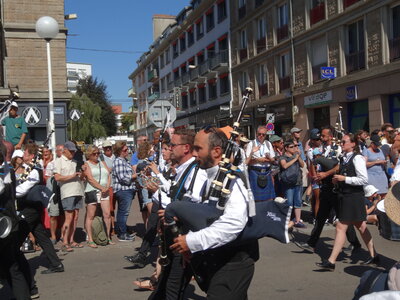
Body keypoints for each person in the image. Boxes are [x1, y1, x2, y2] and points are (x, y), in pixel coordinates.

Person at [169, 127, 259, 299]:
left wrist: (192, 242)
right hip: (217, 258)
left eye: (198, 148)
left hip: (234, 262)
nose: (194, 154)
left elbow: (233, 224)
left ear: (216, 151)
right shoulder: (208, 177)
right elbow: (205, 216)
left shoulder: (232, 181)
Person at [147, 129, 207, 300]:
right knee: (165, 288)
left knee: (172, 289)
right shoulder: (182, 170)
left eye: (173, 145)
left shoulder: (196, 172)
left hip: (185, 237)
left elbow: (192, 206)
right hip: (174, 235)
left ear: (186, 148)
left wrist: (165, 204)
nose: (169, 148)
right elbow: (176, 196)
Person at [316, 134, 378, 271]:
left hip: (353, 196)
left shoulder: (358, 158)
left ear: (353, 144)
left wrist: (345, 179)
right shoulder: (344, 158)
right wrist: (337, 180)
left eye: (344, 142)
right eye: (341, 142)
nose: (341, 144)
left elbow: (363, 179)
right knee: (361, 226)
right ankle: (375, 256)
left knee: (340, 226)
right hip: (345, 196)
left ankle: (331, 261)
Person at [16, 143, 64, 274]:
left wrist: (10, 192)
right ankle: (56, 264)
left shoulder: (35, 171)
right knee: (42, 237)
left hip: (30, 209)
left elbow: (22, 190)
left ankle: (11, 269)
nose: (23, 155)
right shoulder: (26, 169)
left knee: (16, 239)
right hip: (28, 208)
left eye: (25, 153)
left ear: (31, 155)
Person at [54, 141, 85, 252]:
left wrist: (83, 173)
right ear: (65, 150)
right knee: (69, 217)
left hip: (77, 190)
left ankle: (71, 240)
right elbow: (57, 178)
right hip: (67, 192)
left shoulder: (74, 161)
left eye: (74, 151)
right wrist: (72, 176)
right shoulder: (59, 161)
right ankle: (65, 242)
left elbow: (80, 178)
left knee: (75, 217)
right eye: (71, 151)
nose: (72, 153)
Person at [83, 145, 113, 248]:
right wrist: (101, 187)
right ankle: (90, 239)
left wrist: (107, 186)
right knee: (90, 215)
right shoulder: (86, 164)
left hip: (104, 191)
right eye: (94, 154)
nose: (96, 155)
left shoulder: (102, 162)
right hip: (92, 191)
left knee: (107, 214)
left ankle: (108, 236)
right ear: (89, 155)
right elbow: (90, 179)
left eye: (98, 153)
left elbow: (108, 174)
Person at [112, 140, 137, 241]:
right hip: (123, 190)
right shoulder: (118, 161)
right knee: (123, 212)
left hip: (127, 190)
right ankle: (122, 234)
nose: (127, 151)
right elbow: (123, 178)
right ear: (120, 151)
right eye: (125, 150)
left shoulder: (125, 161)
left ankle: (122, 230)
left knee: (123, 212)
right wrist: (134, 176)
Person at [280, 139, 305, 228]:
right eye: (292, 147)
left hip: (298, 182)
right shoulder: (283, 157)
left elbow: (302, 165)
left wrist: (299, 156)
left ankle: (298, 220)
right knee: (289, 202)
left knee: (298, 202)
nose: (294, 148)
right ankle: (288, 221)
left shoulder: (296, 155)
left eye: (295, 146)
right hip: (288, 183)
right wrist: (295, 159)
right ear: (286, 148)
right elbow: (284, 166)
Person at [246, 125, 275, 201]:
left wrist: (268, 159)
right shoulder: (251, 144)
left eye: (263, 134)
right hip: (255, 172)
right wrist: (257, 160)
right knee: (256, 199)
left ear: (266, 135)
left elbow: (273, 160)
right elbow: (247, 162)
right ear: (256, 134)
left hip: (267, 172)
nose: (261, 136)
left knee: (269, 199)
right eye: (259, 134)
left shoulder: (268, 144)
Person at [133, 141, 154, 227]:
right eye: (151, 148)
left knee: (149, 215)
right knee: (152, 216)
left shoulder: (143, 162)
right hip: (148, 194)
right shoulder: (144, 164)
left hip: (145, 192)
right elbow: (150, 180)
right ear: (147, 151)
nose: (153, 150)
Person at [46, 144, 64, 244]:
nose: (62, 152)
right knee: (53, 214)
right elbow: (47, 177)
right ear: (56, 152)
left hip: (64, 190)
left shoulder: (68, 163)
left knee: (63, 214)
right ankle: (53, 236)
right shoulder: (51, 164)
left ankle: (62, 234)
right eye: (60, 150)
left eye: (63, 150)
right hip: (54, 191)